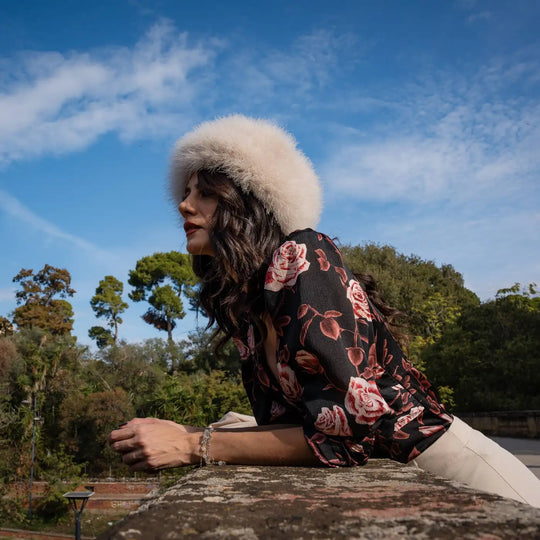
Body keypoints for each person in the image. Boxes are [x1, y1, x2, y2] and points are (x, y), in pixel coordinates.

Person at [109, 115, 540, 507]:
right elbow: (310, 426)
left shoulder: (303, 255)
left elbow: (347, 434)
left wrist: (193, 443)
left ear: (249, 206)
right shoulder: (247, 305)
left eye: (206, 194)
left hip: (453, 466)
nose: (185, 205)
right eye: (185, 194)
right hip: (391, 482)